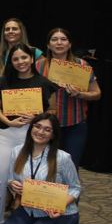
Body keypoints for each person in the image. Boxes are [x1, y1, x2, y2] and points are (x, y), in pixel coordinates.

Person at [0, 44, 56, 224]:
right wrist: (9, 121)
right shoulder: (4, 81)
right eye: (16, 59)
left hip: (34, 138)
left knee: (31, 179)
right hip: (6, 135)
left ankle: (35, 221)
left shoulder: (43, 83)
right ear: (11, 61)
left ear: (32, 58)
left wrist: (36, 118)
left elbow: (52, 110)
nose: (21, 62)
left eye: (24, 58)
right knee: (1, 177)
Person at [0, 114, 81, 224]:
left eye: (47, 130)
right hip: (28, 209)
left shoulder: (62, 158)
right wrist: (12, 184)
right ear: (31, 128)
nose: (40, 132)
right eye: (37, 126)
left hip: (57, 215)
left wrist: (59, 205)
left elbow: (75, 188)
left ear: (53, 135)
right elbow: (11, 178)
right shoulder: (17, 151)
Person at [34, 28, 102, 168]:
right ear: (48, 45)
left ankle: (70, 190)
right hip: (46, 127)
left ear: (69, 44)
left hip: (75, 125)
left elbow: (97, 93)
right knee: (45, 166)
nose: (59, 43)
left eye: (63, 39)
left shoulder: (82, 65)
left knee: (69, 167)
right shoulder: (38, 66)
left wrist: (80, 94)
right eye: (54, 39)